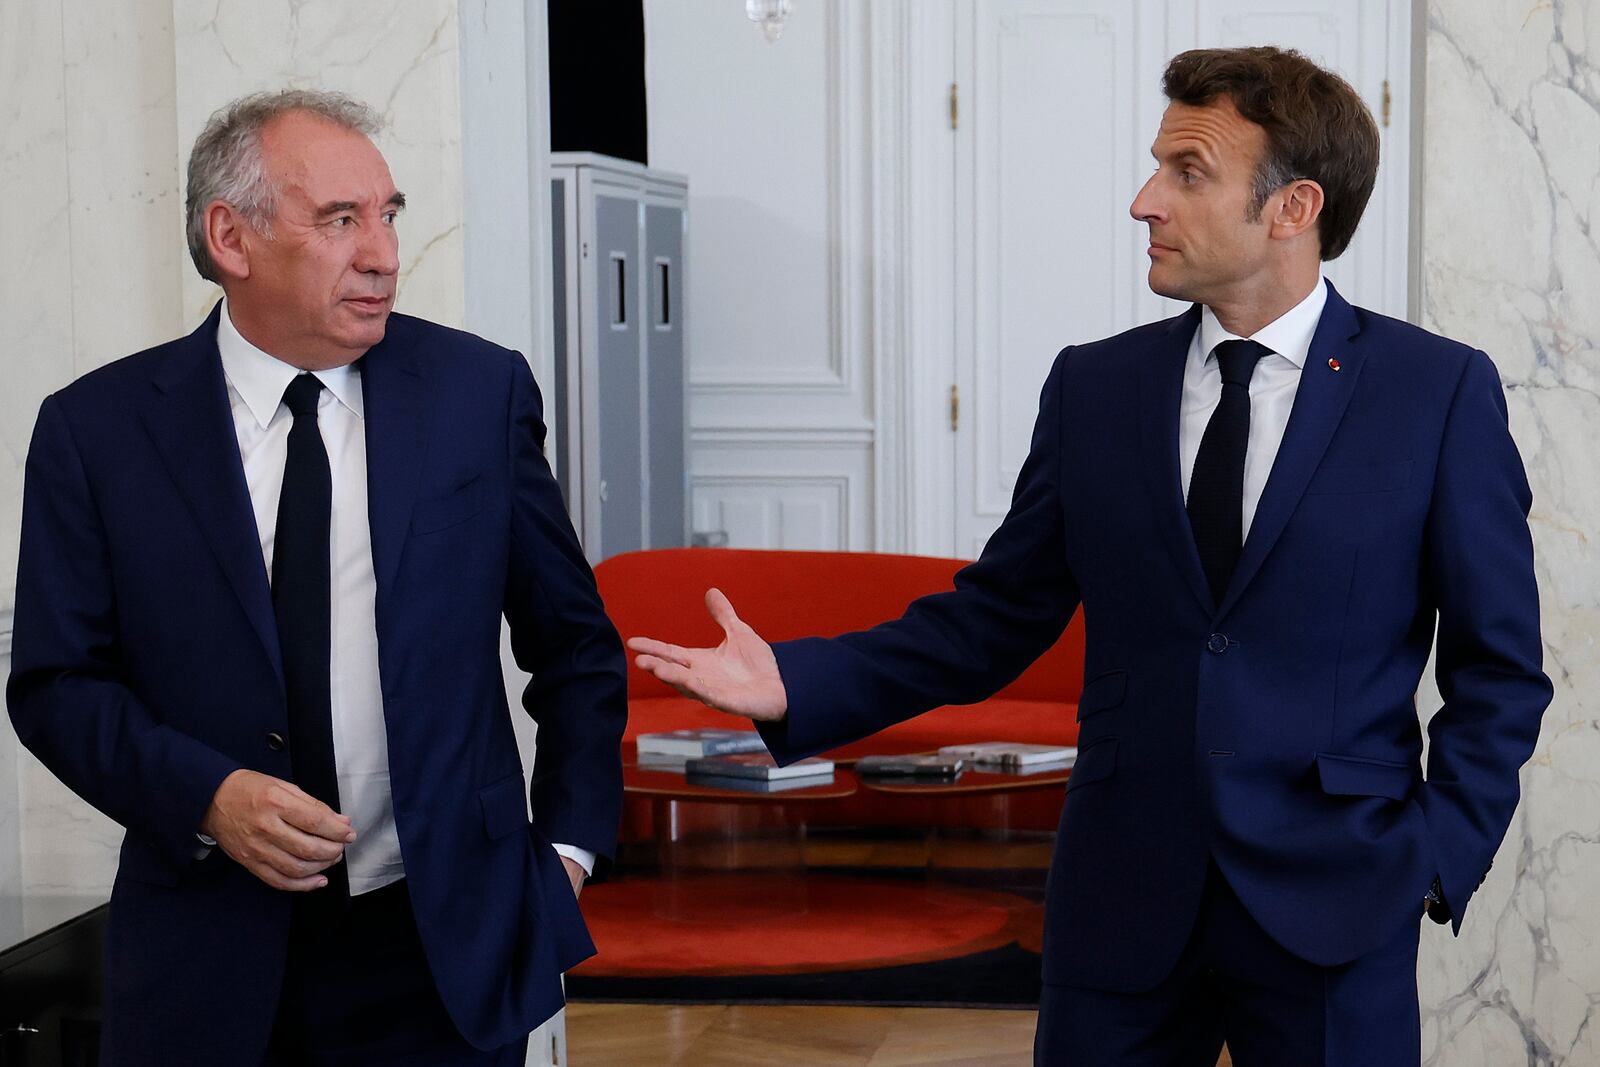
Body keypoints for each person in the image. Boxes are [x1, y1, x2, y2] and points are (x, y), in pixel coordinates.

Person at [628, 47, 1552, 1066]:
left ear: (1293, 208)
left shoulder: (1437, 394)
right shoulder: (1094, 389)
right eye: (1156, 164)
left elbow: (1497, 670)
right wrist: (792, 679)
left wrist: (1432, 858)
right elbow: (992, 617)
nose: (1143, 200)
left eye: (1186, 173)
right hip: (1120, 897)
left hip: (1338, 896)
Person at [7, 89, 625, 1066]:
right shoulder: (97, 432)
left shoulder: (477, 393)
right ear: (231, 236)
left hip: (443, 961)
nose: (380, 250)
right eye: (340, 220)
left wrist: (565, 859)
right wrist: (206, 793)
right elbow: (56, 685)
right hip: (202, 964)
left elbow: (577, 651)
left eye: (385, 215)